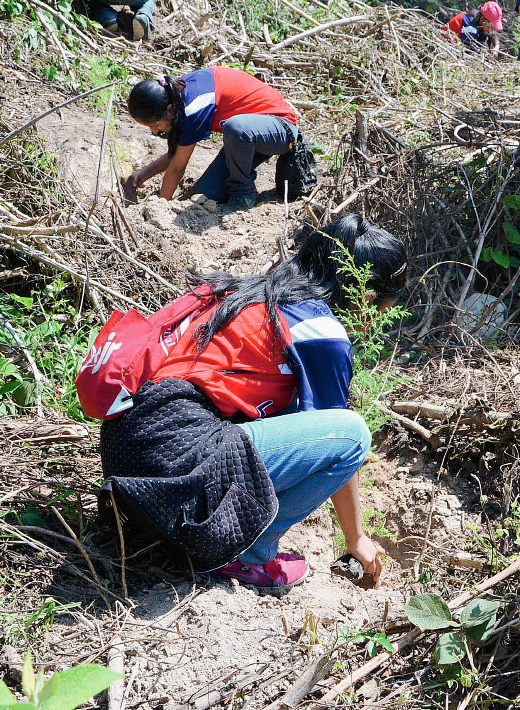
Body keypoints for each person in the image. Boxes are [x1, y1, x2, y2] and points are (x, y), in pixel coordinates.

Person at [98, 214, 409, 587]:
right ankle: (247, 553)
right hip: (176, 455)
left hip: (125, 455)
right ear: (368, 297)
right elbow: (337, 438)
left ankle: (199, 533)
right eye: (384, 309)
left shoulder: (245, 293)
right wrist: (356, 538)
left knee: (295, 410)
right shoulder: (320, 330)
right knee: (352, 436)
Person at [126, 67, 302, 214]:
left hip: (279, 128)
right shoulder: (175, 94)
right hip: (245, 139)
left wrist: (160, 208)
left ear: (169, 110)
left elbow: (177, 168)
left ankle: (242, 195)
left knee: (236, 127)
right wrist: (145, 173)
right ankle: (237, 181)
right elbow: (176, 154)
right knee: (207, 193)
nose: (154, 131)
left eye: (155, 125)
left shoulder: (193, 108)